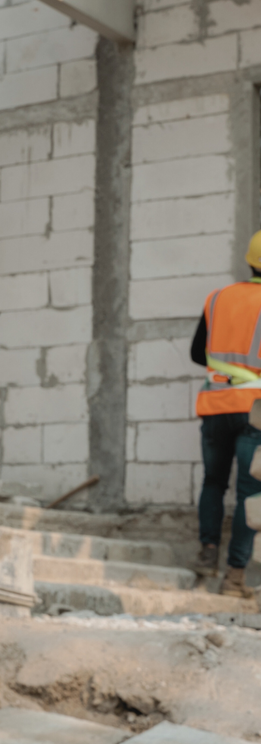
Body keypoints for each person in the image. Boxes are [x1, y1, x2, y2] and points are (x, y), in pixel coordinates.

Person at [189, 230, 261, 598]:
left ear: (249, 260)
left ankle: (208, 551)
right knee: (251, 493)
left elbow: (198, 354)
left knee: (214, 483)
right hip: (254, 412)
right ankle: (234, 577)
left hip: (215, 405)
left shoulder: (218, 298)